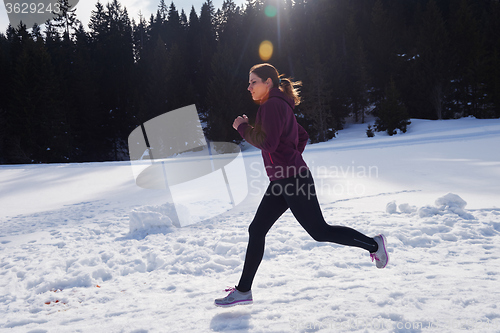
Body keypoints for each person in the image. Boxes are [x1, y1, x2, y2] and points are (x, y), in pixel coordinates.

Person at [214, 63, 388, 308]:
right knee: (257, 229)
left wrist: (243, 128)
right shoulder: (279, 105)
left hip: (293, 179)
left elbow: (269, 143)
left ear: (268, 83)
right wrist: (289, 158)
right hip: (283, 179)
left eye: (254, 81)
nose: (249, 87)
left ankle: (374, 244)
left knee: (319, 231)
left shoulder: (272, 105)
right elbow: (301, 136)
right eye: (249, 82)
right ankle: (243, 290)